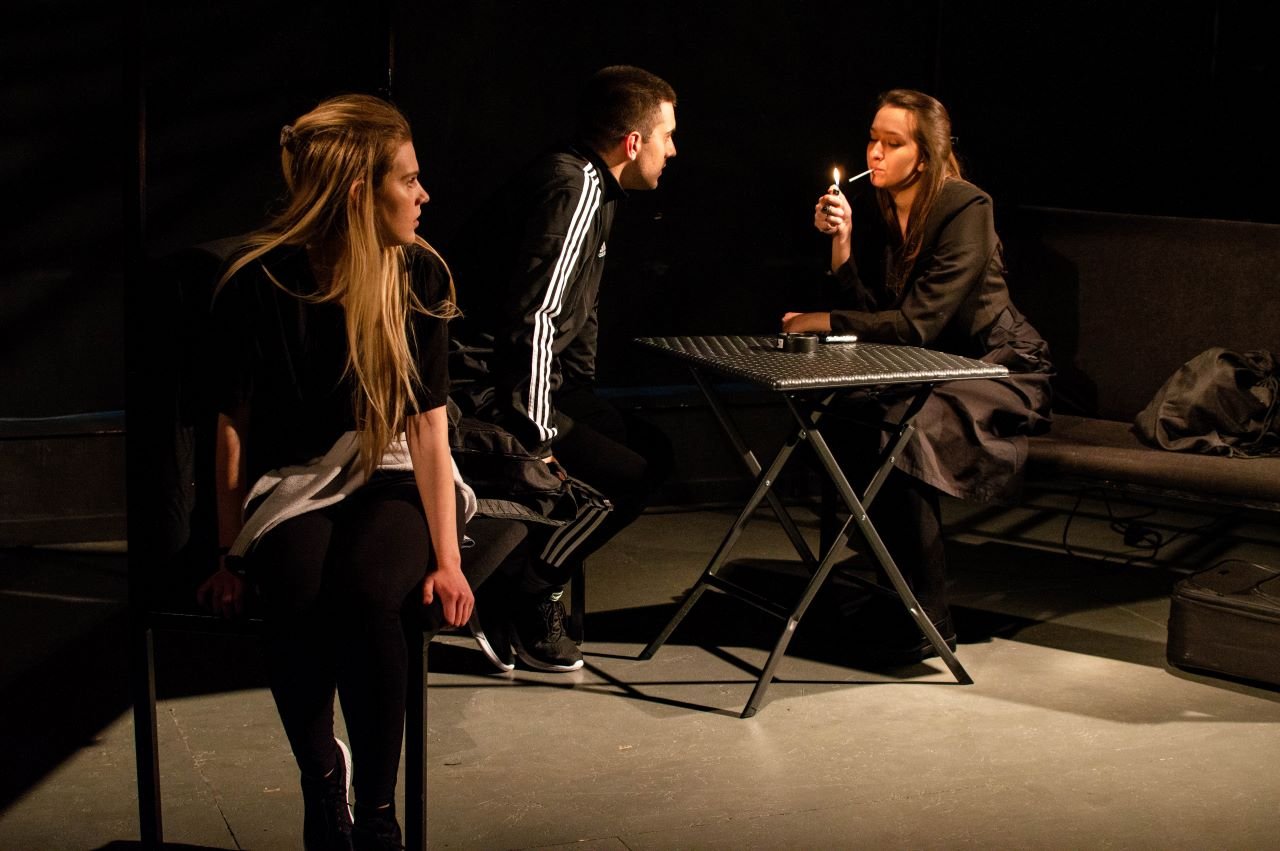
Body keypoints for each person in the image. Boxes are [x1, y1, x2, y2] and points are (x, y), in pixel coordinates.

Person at [196, 94, 525, 850]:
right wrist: (227, 552)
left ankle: (377, 813)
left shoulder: (418, 275)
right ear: (357, 193)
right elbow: (231, 427)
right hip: (301, 477)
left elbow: (430, 429)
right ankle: (323, 779)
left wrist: (448, 560)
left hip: (395, 467)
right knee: (295, 587)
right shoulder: (259, 282)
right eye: (407, 180)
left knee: (371, 592)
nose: (423, 194)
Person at [784, 88, 1053, 664]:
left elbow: (918, 324)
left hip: (996, 364)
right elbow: (880, 319)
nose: (875, 153)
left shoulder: (966, 206)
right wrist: (842, 246)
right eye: (872, 140)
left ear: (925, 156)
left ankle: (926, 618)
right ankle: (891, 593)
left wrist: (825, 320)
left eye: (893, 143)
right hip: (930, 366)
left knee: (905, 429)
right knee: (844, 416)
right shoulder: (883, 208)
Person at [447, 65, 678, 673]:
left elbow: (580, 306)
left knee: (652, 453)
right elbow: (537, 317)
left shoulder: (596, 186)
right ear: (633, 141)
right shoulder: (573, 185)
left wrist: (577, 390)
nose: (673, 150)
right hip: (484, 388)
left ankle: (525, 579)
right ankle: (523, 591)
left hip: (533, 380)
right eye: (667, 136)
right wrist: (537, 431)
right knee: (627, 476)